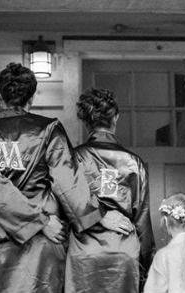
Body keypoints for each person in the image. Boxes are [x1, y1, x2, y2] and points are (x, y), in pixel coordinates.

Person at [0, 63, 128, 293]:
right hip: (43, 239)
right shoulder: (48, 129)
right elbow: (67, 182)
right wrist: (97, 216)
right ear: (31, 99)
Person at [65, 87, 154, 293]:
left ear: (85, 122)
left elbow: (66, 205)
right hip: (123, 251)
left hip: (84, 251)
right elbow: (142, 218)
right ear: (116, 118)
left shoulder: (74, 158)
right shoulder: (134, 163)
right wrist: (148, 263)